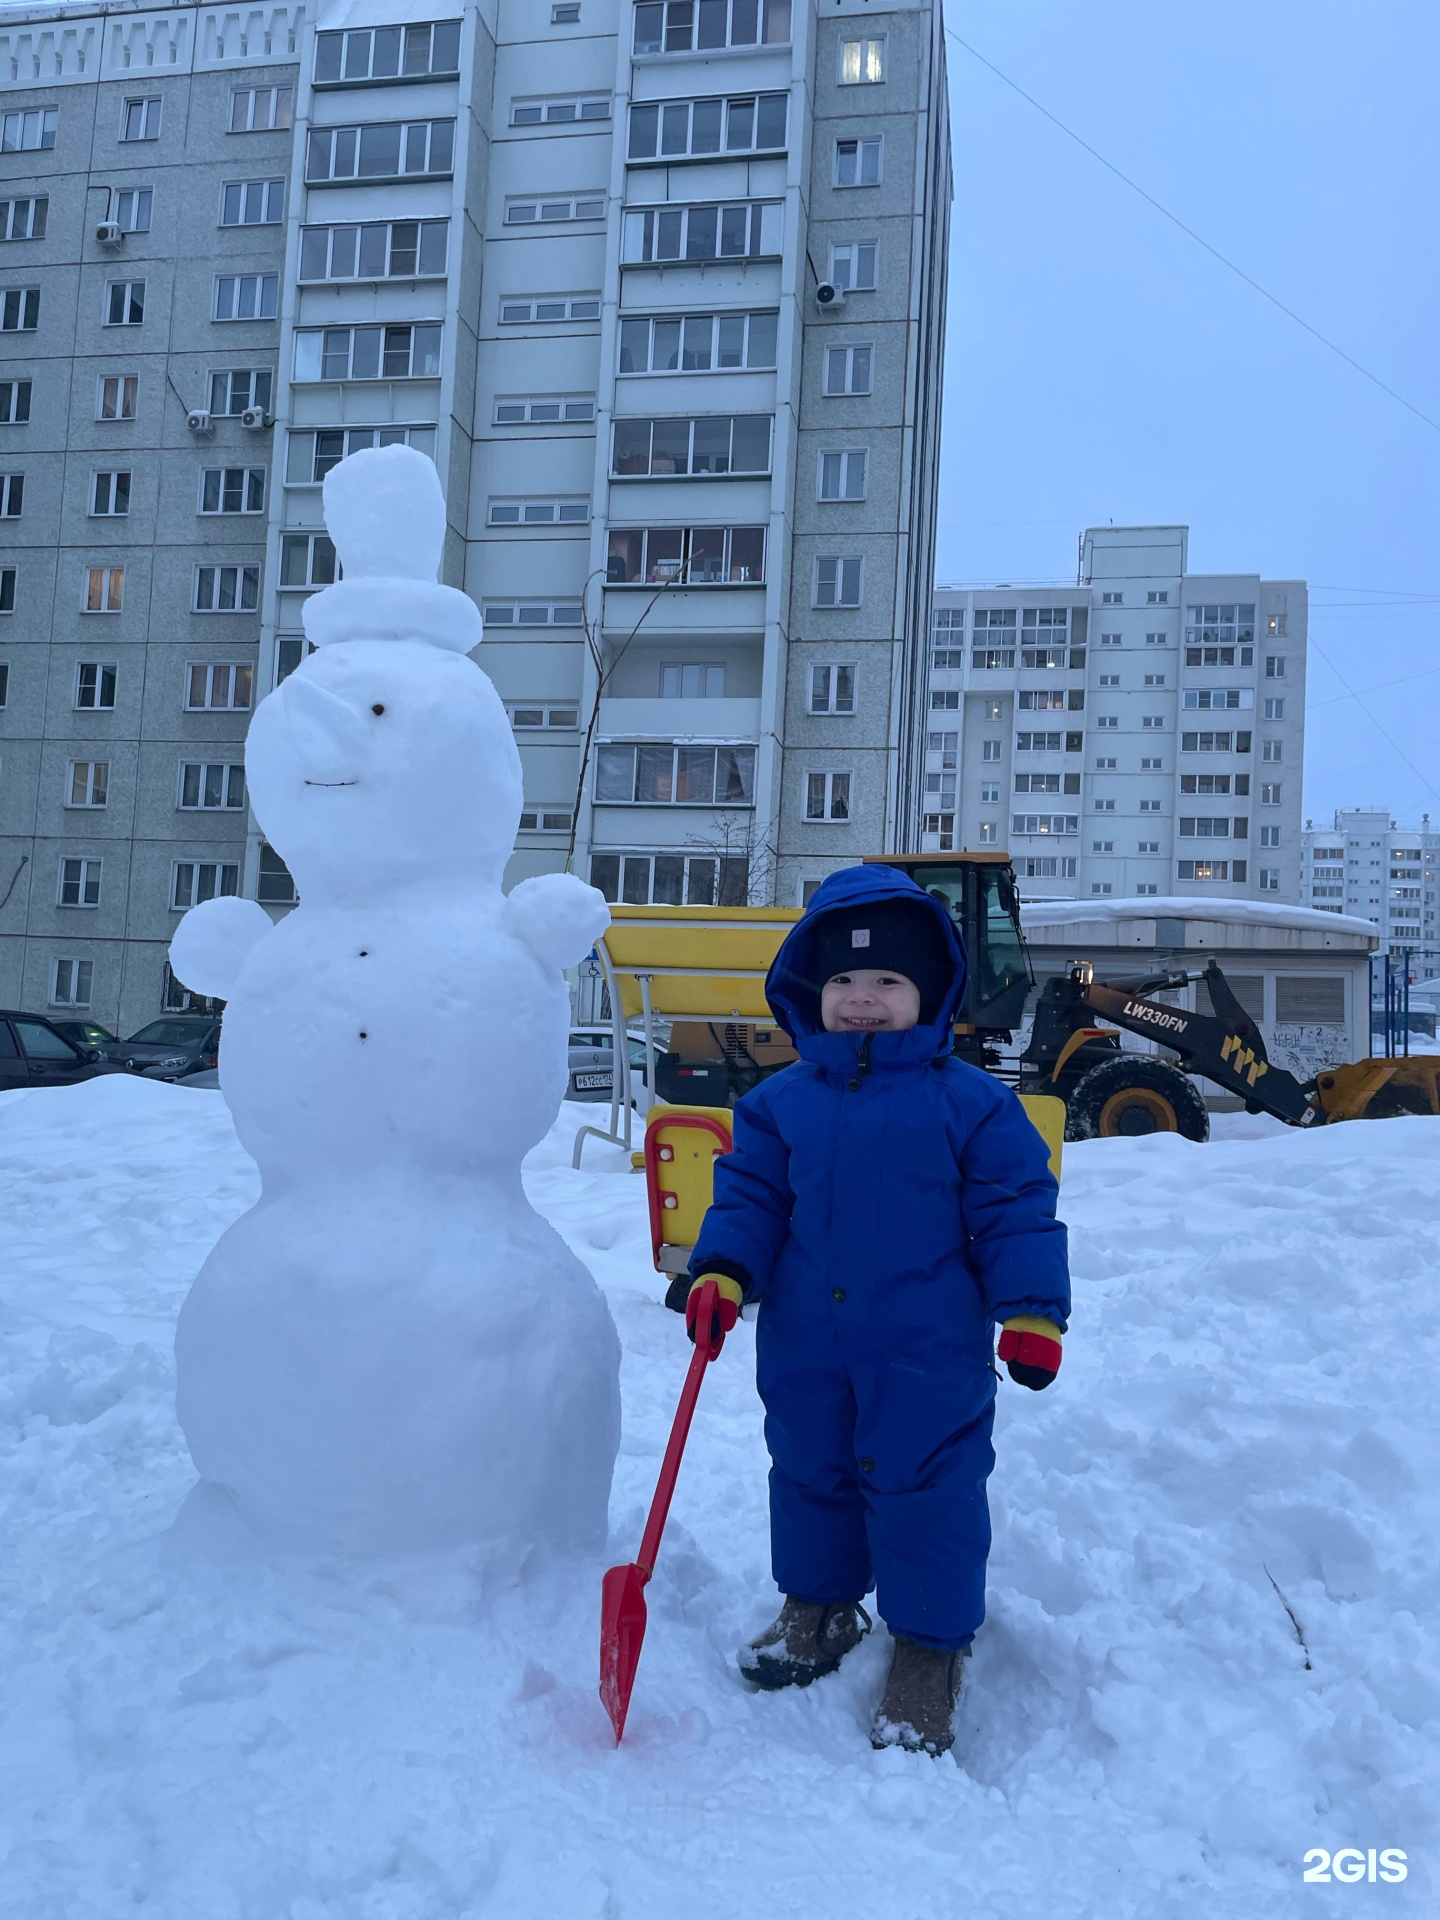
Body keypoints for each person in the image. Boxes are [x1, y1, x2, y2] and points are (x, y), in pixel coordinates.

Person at [687, 864, 1070, 1756]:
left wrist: (1032, 1312)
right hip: (806, 1342)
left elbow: (1016, 1208)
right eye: (844, 982)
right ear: (809, 994)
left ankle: (931, 1649)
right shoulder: (777, 1107)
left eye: (888, 982)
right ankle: (819, 1609)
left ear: (929, 995)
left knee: (927, 1486)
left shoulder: (973, 1105)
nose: (863, 1000)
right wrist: (723, 1271)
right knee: (810, 1470)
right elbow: (748, 1200)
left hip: (927, 1347)